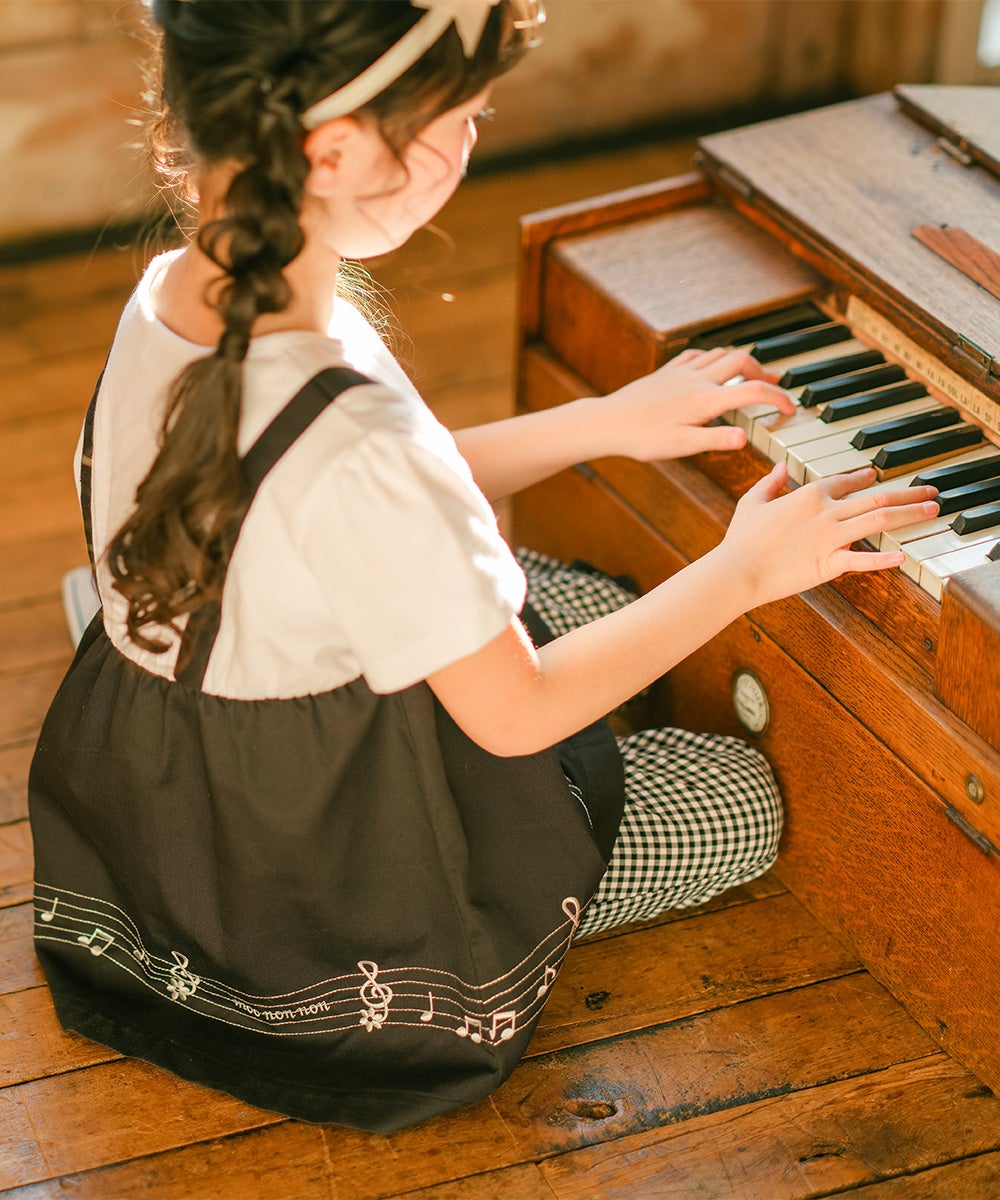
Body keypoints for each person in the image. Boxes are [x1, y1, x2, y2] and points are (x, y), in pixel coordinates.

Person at [29, 0, 939, 1134]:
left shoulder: (177, 288)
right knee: (736, 802)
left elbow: (349, 498)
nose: (475, 140)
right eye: (463, 119)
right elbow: (516, 714)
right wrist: (747, 567)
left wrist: (603, 419)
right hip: (318, 857)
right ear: (340, 151)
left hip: (173, 779)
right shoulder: (352, 438)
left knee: (597, 609)